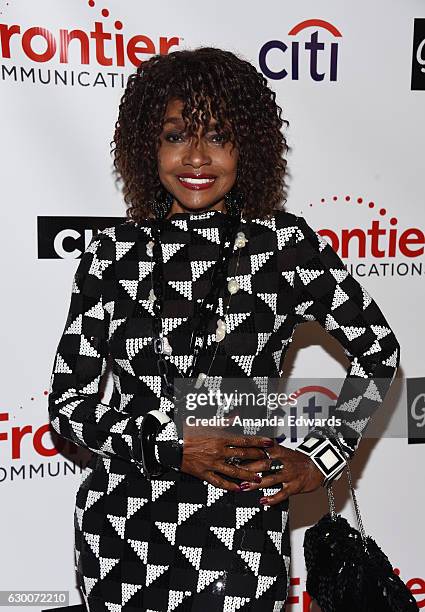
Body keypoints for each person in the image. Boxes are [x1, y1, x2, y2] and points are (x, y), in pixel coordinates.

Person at [47, 46, 400, 612]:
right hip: (121, 533)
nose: (196, 157)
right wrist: (169, 445)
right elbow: (69, 405)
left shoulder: (284, 247)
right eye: (174, 135)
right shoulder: (112, 255)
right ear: (147, 147)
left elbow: (379, 352)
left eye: (217, 135)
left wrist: (323, 454)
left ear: (248, 146)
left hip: (239, 532)